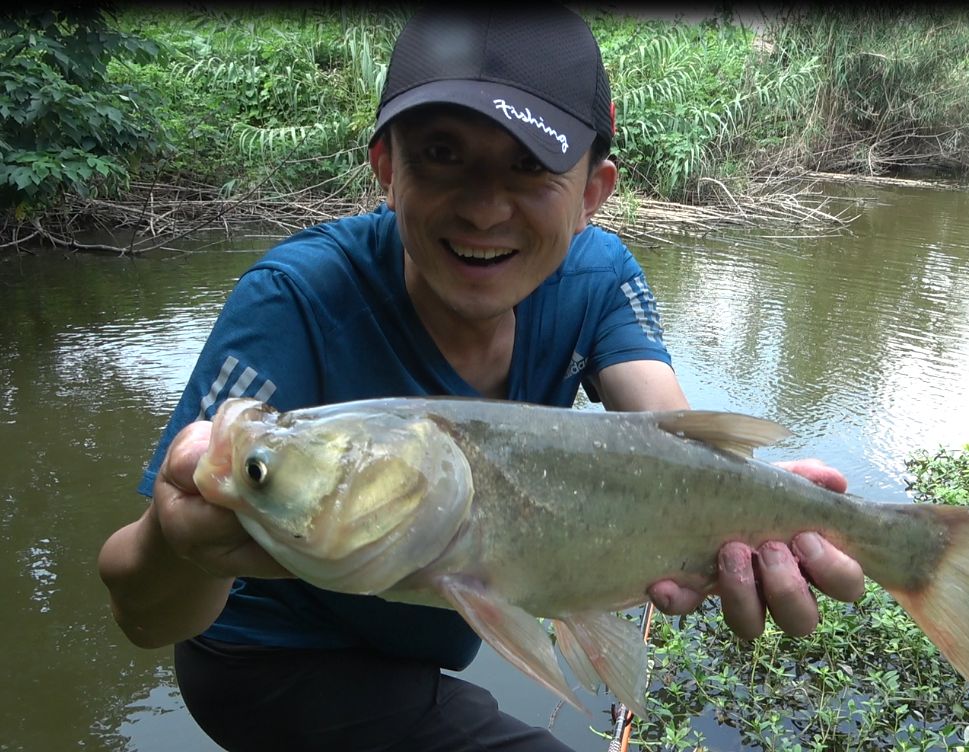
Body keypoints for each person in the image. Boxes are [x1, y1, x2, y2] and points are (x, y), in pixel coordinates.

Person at [98, 6, 865, 751]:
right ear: (387, 170)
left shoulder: (599, 275)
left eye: (529, 167)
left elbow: (664, 432)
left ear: (592, 194)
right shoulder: (291, 298)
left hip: (420, 636)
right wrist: (178, 542)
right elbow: (143, 617)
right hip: (264, 663)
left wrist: (751, 511)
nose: (484, 209)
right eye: (441, 154)